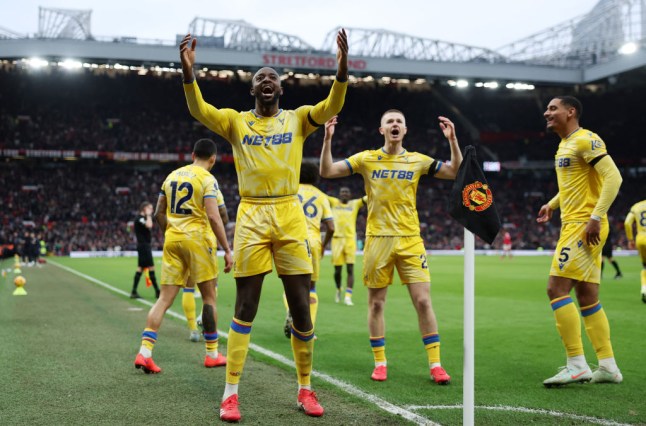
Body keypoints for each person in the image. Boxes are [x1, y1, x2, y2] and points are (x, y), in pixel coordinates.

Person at [179, 28, 348, 421]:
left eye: (273, 78)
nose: (267, 81)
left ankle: (306, 389)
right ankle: (231, 393)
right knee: (246, 306)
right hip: (252, 215)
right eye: (260, 79)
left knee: (302, 308)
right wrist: (189, 75)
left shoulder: (300, 119)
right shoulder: (236, 123)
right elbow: (200, 111)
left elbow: (331, 103)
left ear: (282, 90)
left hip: (290, 216)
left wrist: (341, 70)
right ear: (252, 90)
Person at [320, 111, 462, 384]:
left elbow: (455, 171)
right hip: (378, 240)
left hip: (410, 239)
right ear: (381, 129)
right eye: (390, 122)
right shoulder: (366, 158)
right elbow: (327, 171)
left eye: (399, 122)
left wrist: (452, 140)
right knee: (376, 304)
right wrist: (327, 139)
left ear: (405, 130)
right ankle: (380, 362)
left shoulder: (418, 160)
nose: (395, 125)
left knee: (423, 301)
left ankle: (435, 364)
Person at [536, 96, 623, 387]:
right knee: (587, 297)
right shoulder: (565, 144)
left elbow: (614, 178)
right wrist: (553, 203)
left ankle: (576, 364)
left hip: (584, 226)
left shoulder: (587, 140)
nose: (547, 113)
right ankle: (608, 366)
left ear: (570, 112)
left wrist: (596, 217)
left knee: (556, 288)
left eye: (553, 108)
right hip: (576, 223)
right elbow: (575, 186)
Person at [134, 139, 233, 374]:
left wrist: (170, 234)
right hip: (198, 240)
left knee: (164, 299)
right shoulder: (208, 179)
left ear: (192, 154)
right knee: (209, 298)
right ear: (213, 159)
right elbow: (217, 216)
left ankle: (145, 352)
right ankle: (212, 354)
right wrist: (227, 249)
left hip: (172, 238)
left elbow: (159, 212)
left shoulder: (171, 176)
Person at [283, 162, 335, 338]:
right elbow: (331, 227)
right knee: (311, 287)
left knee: (291, 283)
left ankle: (291, 310)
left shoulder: (290, 191)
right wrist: (323, 245)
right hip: (312, 241)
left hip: (291, 239)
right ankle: (307, 328)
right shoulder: (321, 197)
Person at [183, 179, 229, 343]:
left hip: (183, 237)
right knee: (211, 288)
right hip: (205, 240)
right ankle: (203, 319)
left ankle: (193, 329)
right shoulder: (210, 184)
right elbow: (222, 215)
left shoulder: (180, 183)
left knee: (188, 287)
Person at [327, 187, 366, 305]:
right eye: (342, 192)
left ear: (350, 194)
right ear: (339, 194)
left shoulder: (355, 204)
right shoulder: (334, 202)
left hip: (349, 240)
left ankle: (348, 296)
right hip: (337, 240)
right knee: (337, 271)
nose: (344, 194)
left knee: (350, 269)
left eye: (346, 192)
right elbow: (321, 196)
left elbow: (368, 197)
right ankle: (338, 289)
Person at [130, 202, 161, 299]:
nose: (152, 210)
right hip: (144, 247)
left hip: (144, 246)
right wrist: (148, 215)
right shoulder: (140, 219)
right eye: (150, 208)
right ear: (144, 208)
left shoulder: (140, 218)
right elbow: (149, 225)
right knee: (151, 267)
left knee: (141, 268)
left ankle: (134, 291)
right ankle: (157, 291)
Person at [624, 199, 646, 303]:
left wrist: (630, 239)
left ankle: (644, 289)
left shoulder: (636, 206)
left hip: (640, 239)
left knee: (645, 267)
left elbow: (627, 223)